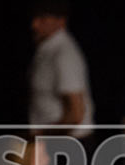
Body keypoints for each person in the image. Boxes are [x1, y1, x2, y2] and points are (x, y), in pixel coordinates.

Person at [29, 0, 94, 138]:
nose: (34, 25)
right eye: (34, 18)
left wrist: (41, 134)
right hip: (54, 140)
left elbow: (76, 114)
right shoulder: (47, 49)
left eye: (43, 19)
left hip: (67, 142)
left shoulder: (64, 54)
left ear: (61, 21)